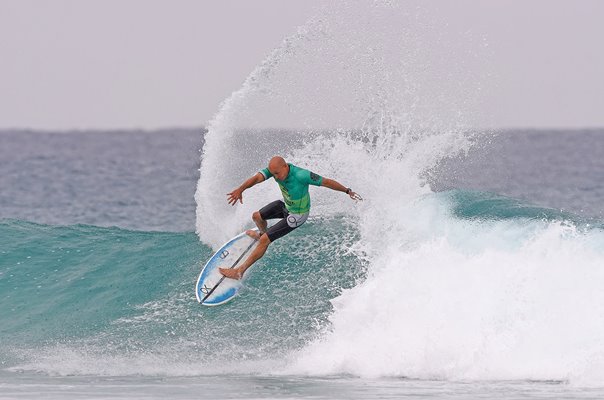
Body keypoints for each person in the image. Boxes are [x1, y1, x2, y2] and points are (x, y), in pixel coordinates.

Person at [219, 156, 361, 280]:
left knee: (265, 241)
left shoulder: (301, 175)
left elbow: (327, 182)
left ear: (285, 167)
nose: (275, 177)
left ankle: (239, 271)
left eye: (277, 174)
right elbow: (257, 178)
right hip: (286, 207)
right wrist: (241, 189)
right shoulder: (275, 170)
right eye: (272, 174)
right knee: (256, 216)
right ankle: (261, 233)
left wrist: (347, 191)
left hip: (297, 216)